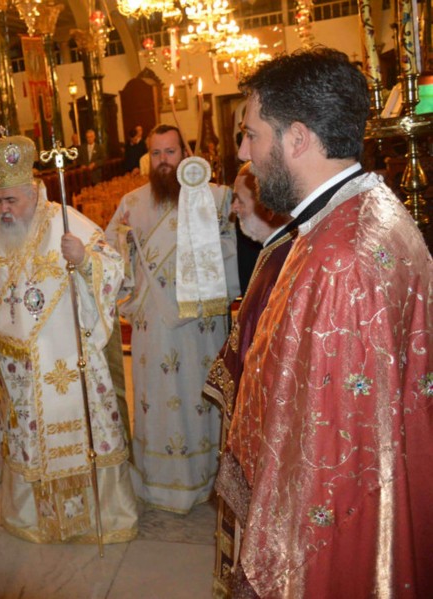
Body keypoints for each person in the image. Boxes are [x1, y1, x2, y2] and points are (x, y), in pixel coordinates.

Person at [224, 47, 433, 597]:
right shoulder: (360, 210)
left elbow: (334, 459)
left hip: (334, 541)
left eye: (252, 135)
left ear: (297, 138)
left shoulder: (341, 261)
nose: (243, 153)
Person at [0, 135, 138, 544]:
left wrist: (85, 261)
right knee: (27, 442)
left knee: (80, 435)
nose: (3, 210)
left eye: (11, 200)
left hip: (66, 359)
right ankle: (34, 518)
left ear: (33, 192)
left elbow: (115, 268)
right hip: (17, 373)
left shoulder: (66, 222)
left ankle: (96, 518)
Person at [105, 124, 239, 514]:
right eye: (156, 153)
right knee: (158, 399)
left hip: (200, 326)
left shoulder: (216, 198)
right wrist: (125, 250)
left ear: (185, 153)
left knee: (200, 394)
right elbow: (110, 257)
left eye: (171, 152)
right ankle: (159, 484)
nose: (164, 161)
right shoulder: (131, 203)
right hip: (154, 324)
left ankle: (208, 477)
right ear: (148, 158)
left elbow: (236, 248)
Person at [202, 162, 291, 598]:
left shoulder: (282, 256)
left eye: (239, 199)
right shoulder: (273, 252)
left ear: (266, 202)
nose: (233, 209)